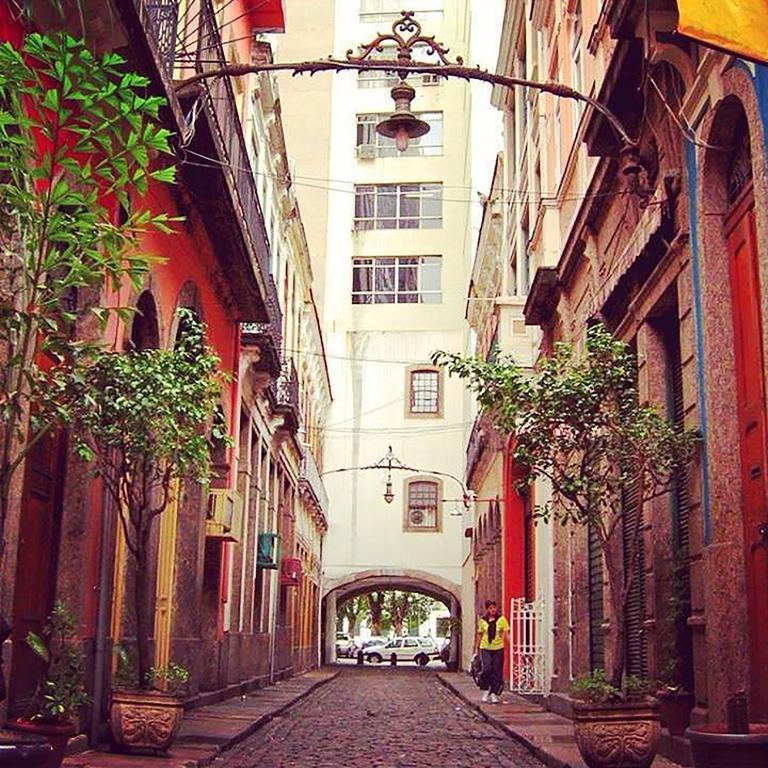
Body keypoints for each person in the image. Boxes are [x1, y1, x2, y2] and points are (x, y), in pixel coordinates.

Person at [474, 599, 509, 704]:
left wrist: (512, 644)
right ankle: (485, 689)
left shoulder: (501, 620)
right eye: (490, 608)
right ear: (487, 609)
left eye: (494, 607)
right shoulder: (483, 621)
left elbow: (506, 634)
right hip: (485, 648)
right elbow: (479, 635)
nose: (493, 609)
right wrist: (476, 648)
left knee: (496, 671)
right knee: (487, 669)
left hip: (498, 648)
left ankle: (493, 692)